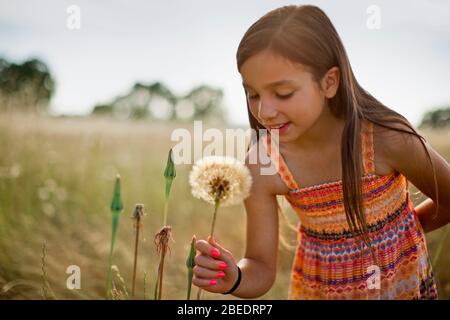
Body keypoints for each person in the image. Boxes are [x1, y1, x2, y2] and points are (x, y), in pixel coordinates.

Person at [192, 4, 450, 299]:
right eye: (253, 93)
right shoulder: (263, 164)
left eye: (283, 93)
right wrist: (235, 277)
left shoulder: (386, 139)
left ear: (329, 82)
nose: (264, 111)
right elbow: (261, 266)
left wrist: (402, 233)